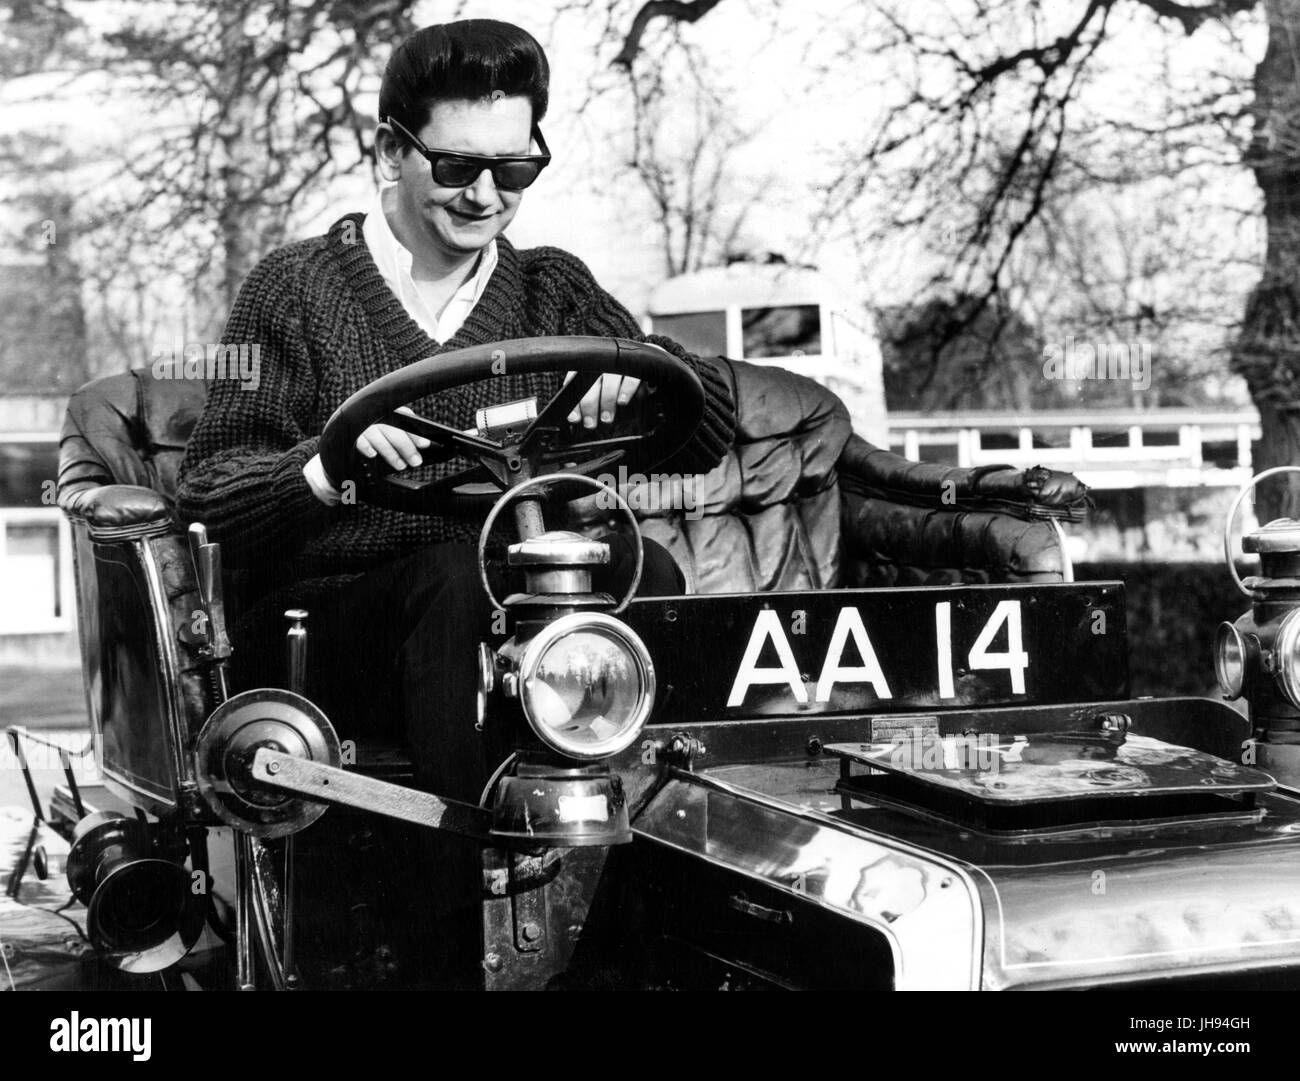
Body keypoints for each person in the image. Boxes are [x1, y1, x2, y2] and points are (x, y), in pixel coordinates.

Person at [176, 18, 736, 983]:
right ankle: (446, 961)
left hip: (507, 608)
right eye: (457, 167)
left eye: (514, 172)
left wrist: (648, 380)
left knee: (657, 580)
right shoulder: (295, 291)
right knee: (453, 584)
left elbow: (706, 422)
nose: (486, 195)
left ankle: (653, 943)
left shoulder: (553, 289)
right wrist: (322, 466)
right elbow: (213, 498)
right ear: (391, 149)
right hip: (330, 628)